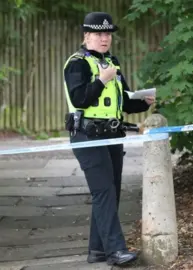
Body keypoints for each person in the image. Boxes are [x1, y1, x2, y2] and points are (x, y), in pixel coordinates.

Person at [62, 11, 155, 266]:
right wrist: (102, 80)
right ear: (87, 35)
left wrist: (143, 102)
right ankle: (116, 251)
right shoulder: (77, 63)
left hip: (112, 135)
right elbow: (80, 98)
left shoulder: (112, 63)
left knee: (110, 193)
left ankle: (98, 251)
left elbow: (123, 101)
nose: (104, 38)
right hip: (87, 136)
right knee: (103, 191)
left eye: (108, 34)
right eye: (99, 34)